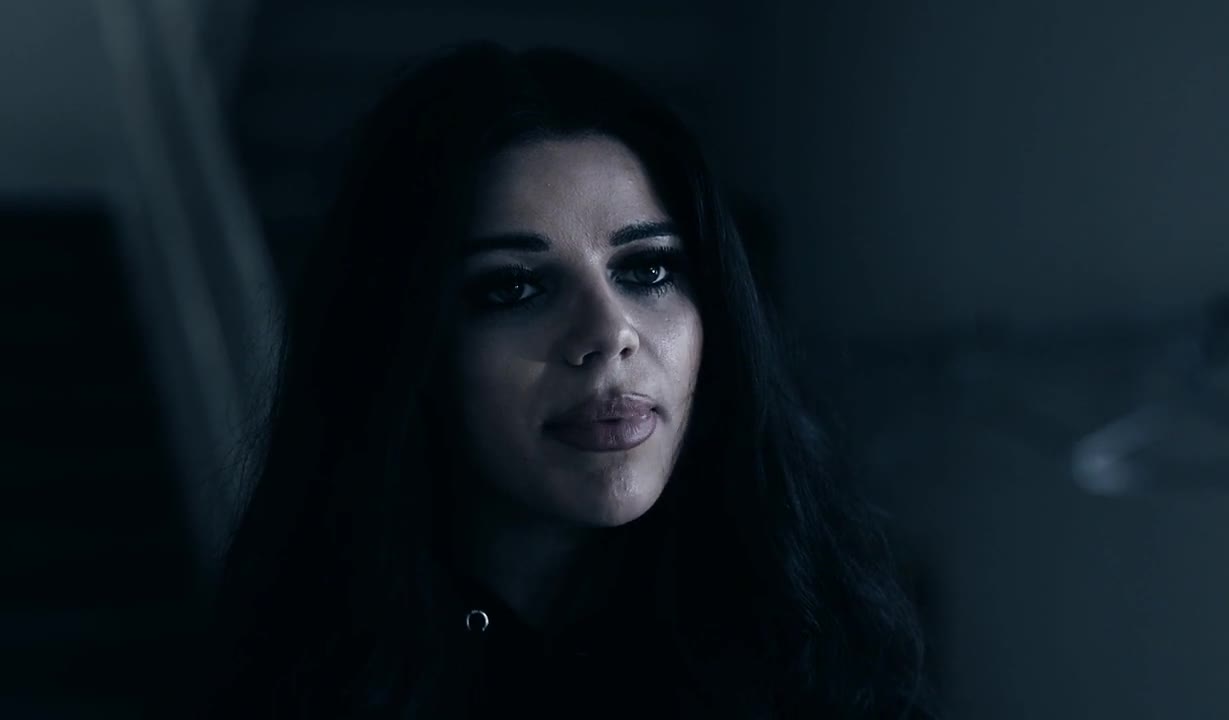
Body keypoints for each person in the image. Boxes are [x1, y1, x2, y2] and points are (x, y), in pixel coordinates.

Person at [207, 41, 937, 719]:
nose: (609, 333)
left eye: (648, 269)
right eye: (513, 287)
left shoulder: (823, 652)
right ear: (405, 340)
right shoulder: (296, 680)